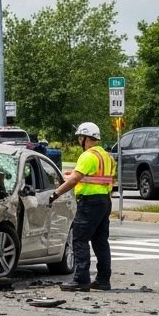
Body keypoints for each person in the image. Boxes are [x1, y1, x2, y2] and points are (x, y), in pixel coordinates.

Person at [48, 122, 116, 292]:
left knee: (79, 239)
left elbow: (74, 179)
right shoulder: (106, 156)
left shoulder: (87, 156)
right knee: (101, 241)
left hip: (89, 202)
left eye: (80, 137)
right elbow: (102, 179)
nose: (79, 140)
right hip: (104, 201)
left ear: (85, 138)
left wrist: (56, 193)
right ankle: (103, 280)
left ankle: (81, 280)